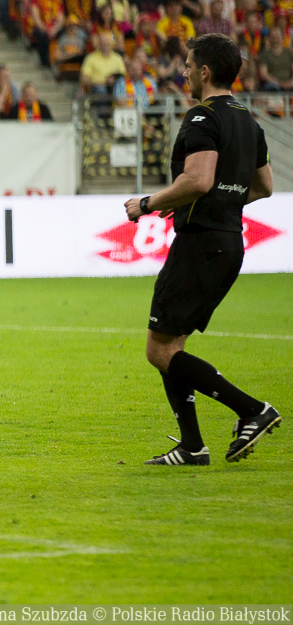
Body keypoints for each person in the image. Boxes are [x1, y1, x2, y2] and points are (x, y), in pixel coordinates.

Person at [123, 34, 281, 466]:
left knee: (159, 350)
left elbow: (198, 180)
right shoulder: (249, 122)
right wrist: (222, 200)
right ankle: (192, 446)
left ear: (205, 72)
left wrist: (148, 204)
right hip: (228, 242)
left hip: (200, 244)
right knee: (172, 345)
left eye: (189, 65)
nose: (185, 73)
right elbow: (264, 187)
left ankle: (252, 410)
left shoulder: (201, 116)